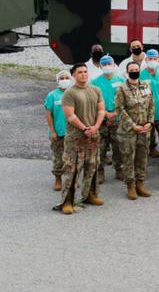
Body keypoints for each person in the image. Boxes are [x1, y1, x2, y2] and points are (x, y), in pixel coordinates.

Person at [56, 63, 105, 215]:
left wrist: (96, 127)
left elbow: (101, 110)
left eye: (85, 71)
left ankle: (90, 194)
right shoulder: (69, 93)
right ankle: (67, 201)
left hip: (93, 135)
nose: (83, 74)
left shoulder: (95, 90)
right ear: (74, 75)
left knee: (92, 166)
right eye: (80, 72)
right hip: (76, 137)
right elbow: (70, 116)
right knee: (72, 169)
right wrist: (84, 128)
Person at [114, 61, 154, 200]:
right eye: (132, 69)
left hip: (144, 128)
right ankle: (130, 185)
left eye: (136, 69)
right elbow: (120, 109)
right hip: (128, 131)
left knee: (142, 157)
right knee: (128, 158)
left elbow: (151, 104)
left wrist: (150, 121)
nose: (134, 71)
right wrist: (133, 126)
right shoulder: (122, 88)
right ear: (127, 72)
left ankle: (140, 184)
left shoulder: (145, 85)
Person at [91, 55, 124, 183]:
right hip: (102, 120)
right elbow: (93, 102)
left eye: (109, 63)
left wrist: (115, 113)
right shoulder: (94, 83)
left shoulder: (121, 81)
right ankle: (100, 171)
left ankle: (119, 169)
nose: (107, 66)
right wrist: (105, 114)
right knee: (100, 147)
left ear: (114, 64)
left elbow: (125, 100)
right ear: (100, 66)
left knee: (118, 146)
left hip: (117, 118)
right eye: (104, 64)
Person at [44, 70, 71, 191]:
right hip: (58, 132)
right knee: (58, 157)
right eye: (62, 78)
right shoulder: (52, 95)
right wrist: (52, 131)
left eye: (67, 77)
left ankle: (70, 180)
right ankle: (58, 178)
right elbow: (48, 114)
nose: (65, 80)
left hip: (72, 133)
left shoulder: (73, 93)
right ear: (58, 81)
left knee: (72, 158)